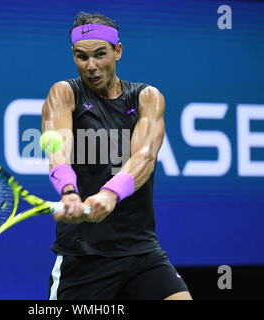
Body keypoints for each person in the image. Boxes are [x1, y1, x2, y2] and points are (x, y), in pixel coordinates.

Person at [41, 12, 192, 300]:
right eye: (81, 57)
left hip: (141, 253)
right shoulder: (64, 94)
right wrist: (69, 192)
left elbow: (145, 158)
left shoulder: (146, 98)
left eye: (100, 54)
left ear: (118, 51)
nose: (92, 66)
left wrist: (111, 193)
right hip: (84, 257)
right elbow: (57, 152)